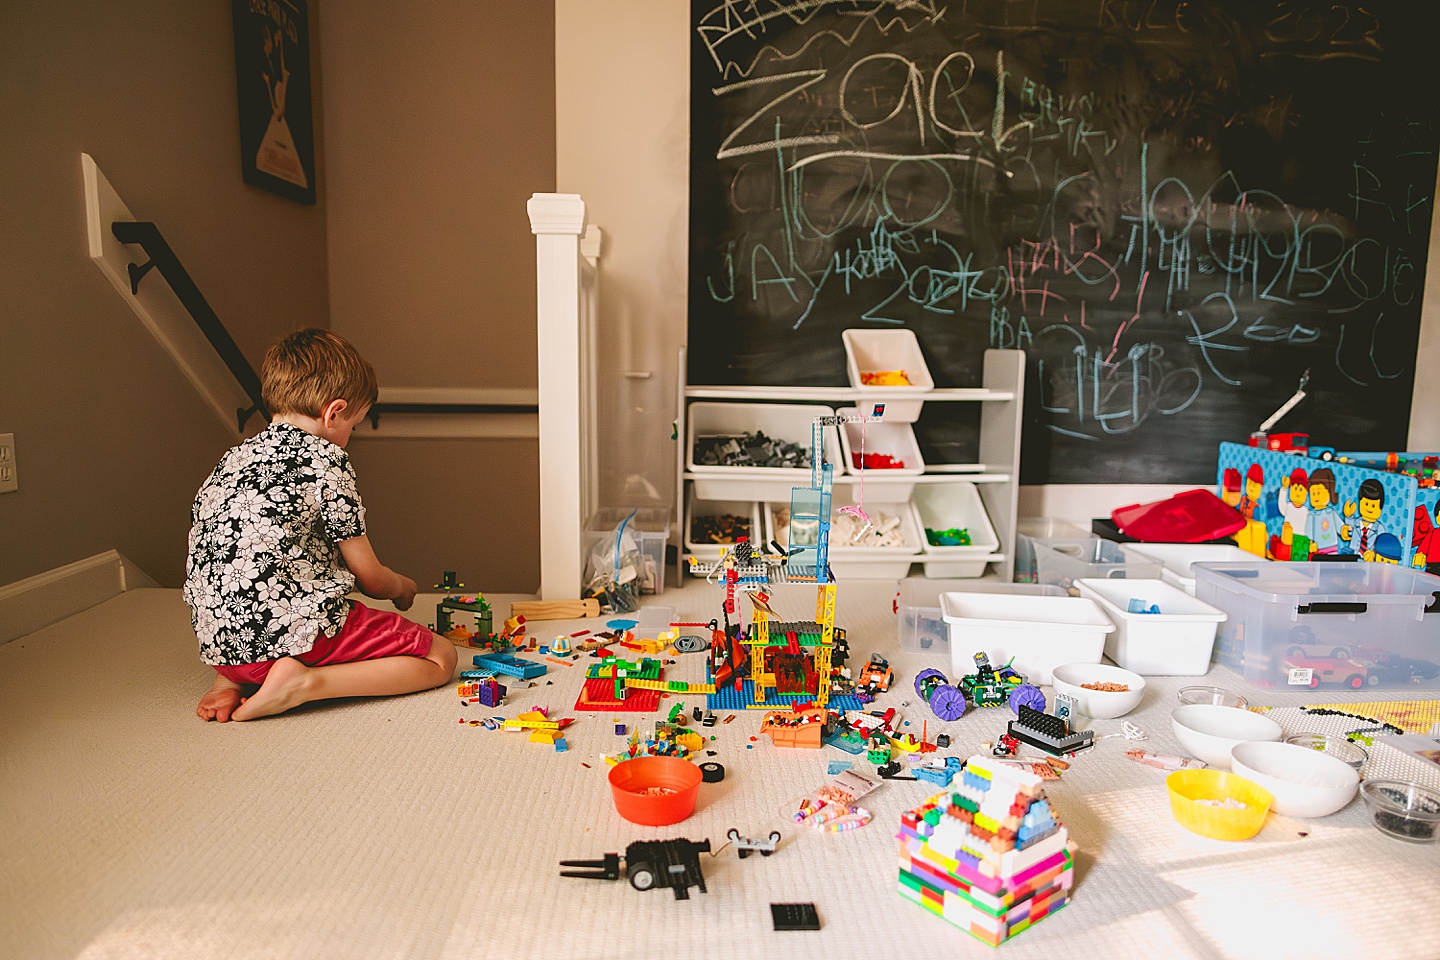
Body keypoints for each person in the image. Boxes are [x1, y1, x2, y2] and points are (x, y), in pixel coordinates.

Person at [184, 329, 456, 721]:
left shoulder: (234, 458)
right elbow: (370, 579)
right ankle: (305, 684)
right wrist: (401, 586)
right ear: (334, 412)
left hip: (220, 642)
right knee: (440, 657)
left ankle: (231, 681)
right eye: (354, 425)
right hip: (290, 634)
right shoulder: (326, 461)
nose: (349, 436)